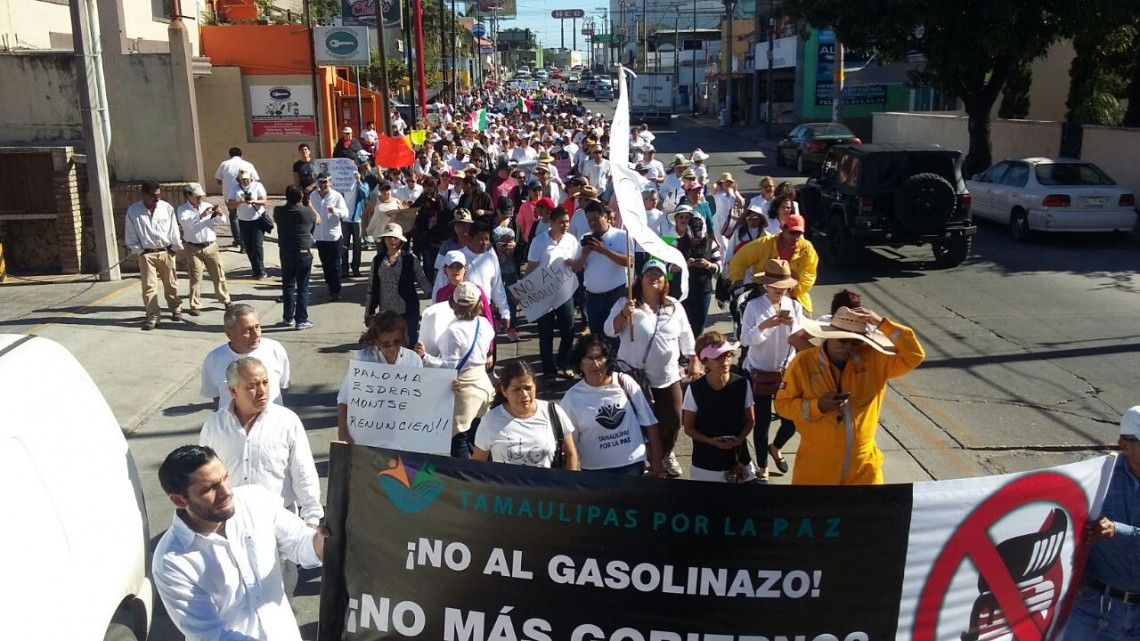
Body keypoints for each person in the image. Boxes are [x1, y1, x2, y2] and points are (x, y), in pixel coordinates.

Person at [153, 445, 326, 641]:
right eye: (210, 488)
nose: (226, 491)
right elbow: (212, 635)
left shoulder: (255, 501)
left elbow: (300, 544)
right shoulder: (171, 562)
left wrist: (321, 542)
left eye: (225, 477)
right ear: (179, 500)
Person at [198, 356, 323, 601]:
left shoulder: (286, 422)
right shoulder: (214, 426)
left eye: (265, 382)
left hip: (278, 527)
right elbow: (203, 479)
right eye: (252, 385)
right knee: (233, 597)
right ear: (233, 391)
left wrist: (311, 520)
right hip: (230, 527)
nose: (262, 390)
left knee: (278, 597)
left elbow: (304, 473)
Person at [775, 306, 925, 485]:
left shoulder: (874, 359)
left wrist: (883, 324)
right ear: (830, 335)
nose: (848, 347)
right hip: (817, 465)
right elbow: (783, 405)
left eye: (855, 342)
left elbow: (914, 355)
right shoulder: (803, 362)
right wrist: (818, 406)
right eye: (843, 339)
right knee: (816, 504)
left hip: (863, 466)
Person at [606, 260, 699, 478]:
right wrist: (623, 315)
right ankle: (642, 457)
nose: (654, 277)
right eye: (649, 273)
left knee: (673, 417)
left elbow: (686, 333)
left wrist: (693, 358)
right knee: (637, 419)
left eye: (659, 274)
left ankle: (665, 453)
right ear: (640, 279)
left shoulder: (674, 306)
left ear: (666, 281)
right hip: (634, 375)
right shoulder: (625, 302)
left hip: (667, 374)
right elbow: (609, 330)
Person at [1060, 406, 1140, 641]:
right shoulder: (1096, 476)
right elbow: (1064, 523)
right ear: (1124, 445)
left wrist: (1116, 531)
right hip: (1093, 611)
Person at [740, 259, 806, 481]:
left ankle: (776, 447)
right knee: (762, 423)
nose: (779, 290)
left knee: (791, 421)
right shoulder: (754, 306)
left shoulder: (795, 306)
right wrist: (765, 326)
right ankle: (762, 465)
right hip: (759, 371)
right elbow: (745, 339)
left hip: (785, 373)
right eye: (775, 286)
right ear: (766, 285)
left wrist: (792, 326)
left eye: (783, 287)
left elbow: (800, 337)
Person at [561, 335, 662, 476]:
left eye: (600, 358)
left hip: (632, 465)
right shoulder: (572, 398)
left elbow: (649, 422)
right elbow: (568, 443)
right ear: (579, 364)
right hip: (595, 471)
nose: (595, 364)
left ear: (608, 359)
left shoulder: (624, 382)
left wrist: (657, 460)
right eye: (589, 358)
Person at [416, 282, 496, 458]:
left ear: (453, 303)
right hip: (484, 386)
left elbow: (449, 366)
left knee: (458, 439)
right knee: (480, 438)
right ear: (478, 303)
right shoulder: (485, 324)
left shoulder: (453, 331)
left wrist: (425, 357)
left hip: (463, 391)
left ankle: (464, 472)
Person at [473, 361, 580, 470]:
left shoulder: (554, 413)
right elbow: (477, 465)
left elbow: (571, 454)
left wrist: (569, 479)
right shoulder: (490, 421)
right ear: (504, 391)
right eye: (516, 389)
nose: (524, 394)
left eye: (528, 388)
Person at [336, 312, 424, 444]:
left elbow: (421, 399)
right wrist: (343, 433)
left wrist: (449, 389)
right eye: (386, 344)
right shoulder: (362, 359)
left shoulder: (413, 360)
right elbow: (344, 398)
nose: (392, 348)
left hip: (402, 436)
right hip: (367, 435)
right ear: (376, 341)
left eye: (397, 342)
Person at [682, 331, 757, 482]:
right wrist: (711, 441)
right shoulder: (695, 389)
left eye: (728, 355)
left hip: (739, 460)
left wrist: (739, 439)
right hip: (706, 465)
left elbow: (750, 420)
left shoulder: (743, 384)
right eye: (718, 357)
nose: (725, 360)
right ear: (705, 361)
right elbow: (688, 428)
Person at [526, 206, 581, 381]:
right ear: (552, 223)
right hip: (544, 294)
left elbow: (577, 265)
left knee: (568, 329)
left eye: (567, 222)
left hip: (565, 292)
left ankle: (565, 363)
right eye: (561, 222)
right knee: (546, 333)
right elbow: (531, 268)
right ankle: (549, 370)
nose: (565, 225)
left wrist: (573, 264)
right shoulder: (539, 241)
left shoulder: (572, 240)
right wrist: (526, 292)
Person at [201, 304, 291, 408]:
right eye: (248, 331)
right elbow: (215, 395)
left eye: (257, 327)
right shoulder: (214, 359)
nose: (256, 334)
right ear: (229, 334)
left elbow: (283, 387)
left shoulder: (275, 349)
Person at [728, 213, 819, 315]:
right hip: (764, 290)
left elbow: (810, 272)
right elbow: (739, 259)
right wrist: (738, 279)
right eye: (793, 232)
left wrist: (795, 289)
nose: (796, 236)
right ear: (783, 229)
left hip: (794, 293)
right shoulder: (764, 243)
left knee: (804, 320)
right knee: (750, 315)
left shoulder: (807, 248)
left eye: (799, 233)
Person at [124, 180, 184, 330]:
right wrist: (139, 251)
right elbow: (130, 234)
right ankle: (153, 316)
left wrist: (174, 248)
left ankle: (175, 308)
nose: (156, 198)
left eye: (159, 195)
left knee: (171, 284)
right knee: (149, 287)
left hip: (166, 251)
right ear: (143, 195)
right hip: (147, 254)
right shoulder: (133, 211)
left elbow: (174, 230)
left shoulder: (167, 208)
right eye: (153, 196)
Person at [364, 223, 432, 346]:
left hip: (408, 309)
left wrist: (434, 294)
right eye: (389, 237)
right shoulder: (378, 260)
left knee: (409, 343)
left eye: (395, 237)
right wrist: (369, 311)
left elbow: (421, 279)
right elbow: (372, 286)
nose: (392, 240)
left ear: (401, 240)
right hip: (386, 311)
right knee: (390, 344)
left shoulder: (410, 258)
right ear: (384, 239)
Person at [578, 201, 632, 344]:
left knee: (616, 338)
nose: (593, 223)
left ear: (606, 217)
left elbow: (630, 262)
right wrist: (584, 255)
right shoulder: (585, 239)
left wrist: (604, 250)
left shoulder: (621, 236)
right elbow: (576, 268)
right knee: (597, 340)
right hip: (592, 298)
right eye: (589, 220)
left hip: (615, 296)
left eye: (596, 219)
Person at [176, 183, 231, 316]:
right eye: (196, 196)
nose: (199, 199)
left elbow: (221, 221)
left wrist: (219, 214)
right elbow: (185, 223)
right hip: (193, 247)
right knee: (196, 277)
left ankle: (225, 300)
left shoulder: (207, 205)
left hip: (210, 246)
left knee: (218, 275)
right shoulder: (182, 209)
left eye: (200, 196)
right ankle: (195, 305)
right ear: (188, 195)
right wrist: (200, 216)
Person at [273, 185, 318, 330]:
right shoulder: (306, 211)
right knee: (303, 286)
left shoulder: (278, 211)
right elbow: (318, 220)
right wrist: (310, 205)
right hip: (302, 251)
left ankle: (288, 317)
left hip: (286, 251)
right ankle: (301, 319)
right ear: (300, 197)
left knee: (288, 285)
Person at [673, 214, 721, 335]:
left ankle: (696, 345)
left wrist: (707, 265)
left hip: (703, 290)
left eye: (699, 238)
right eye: (694, 237)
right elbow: (668, 267)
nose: (696, 240)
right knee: (683, 326)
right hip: (682, 290)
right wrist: (685, 265)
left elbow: (719, 267)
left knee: (698, 326)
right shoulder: (676, 243)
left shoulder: (711, 244)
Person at [308, 173, 347, 302]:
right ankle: (330, 286)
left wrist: (335, 210)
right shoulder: (313, 196)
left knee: (335, 264)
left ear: (330, 182)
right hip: (320, 235)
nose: (323, 185)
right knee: (325, 263)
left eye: (325, 182)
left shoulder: (336, 196)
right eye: (321, 182)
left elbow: (345, 213)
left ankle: (336, 290)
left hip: (334, 235)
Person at [227, 170, 269, 279]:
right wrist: (239, 202)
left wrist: (254, 201)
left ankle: (261, 270)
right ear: (239, 180)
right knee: (249, 247)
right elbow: (230, 205)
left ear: (251, 178)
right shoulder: (235, 187)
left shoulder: (257, 185)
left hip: (257, 219)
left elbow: (264, 201)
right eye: (243, 180)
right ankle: (255, 270)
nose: (246, 181)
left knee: (257, 246)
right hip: (243, 220)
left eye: (247, 179)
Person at [214, 147, 257, 251]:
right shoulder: (248, 164)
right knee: (244, 217)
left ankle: (238, 240)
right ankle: (245, 243)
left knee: (234, 217)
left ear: (230, 155)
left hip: (229, 196)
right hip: (245, 195)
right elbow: (255, 179)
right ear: (242, 155)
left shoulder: (224, 164)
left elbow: (218, 180)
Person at [341, 165, 370, 279]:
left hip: (357, 218)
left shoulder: (363, 183)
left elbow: (365, 194)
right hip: (344, 218)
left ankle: (355, 267)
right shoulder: (342, 184)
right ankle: (344, 269)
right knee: (344, 245)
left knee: (357, 245)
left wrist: (358, 181)